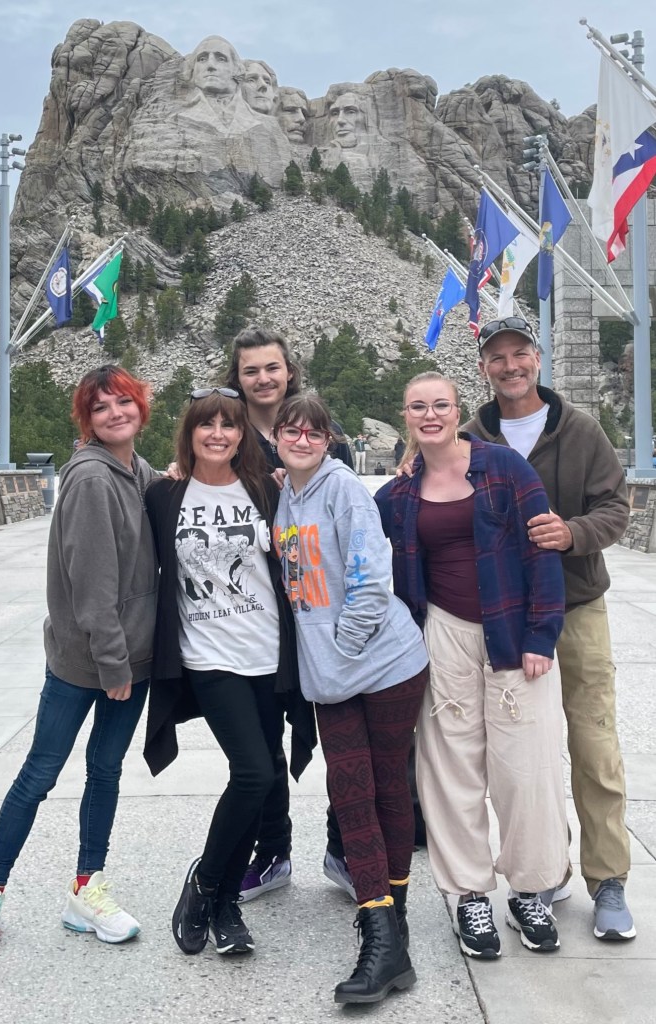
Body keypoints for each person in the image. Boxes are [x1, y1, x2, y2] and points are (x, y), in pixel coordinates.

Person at [0, 365, 158, 958]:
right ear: (87, 421)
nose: (116, 413)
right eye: (101, 408)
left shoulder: (138, 473)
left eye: (124, 402)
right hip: (87, 663)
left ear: (140, 407)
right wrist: (114, 665)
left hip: (133, 660)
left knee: (106, 770)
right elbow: (91, 587)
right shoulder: (93, 479)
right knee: (40, 774)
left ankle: (86, 888)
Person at [377, 370, 569, 959]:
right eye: (418, 407)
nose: (429, 415)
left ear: (459, 410)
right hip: (443, 635)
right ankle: (469, 896)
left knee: (528, 770)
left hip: (515, 634)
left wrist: (543, 632)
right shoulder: (398, 495)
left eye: (441, 405)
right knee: (450, 770)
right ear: (405, 416)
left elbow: (542, 549)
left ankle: (531, 890)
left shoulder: (506, 468)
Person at [464, 316, 634, 942]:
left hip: (579, 608)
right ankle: (547, 866)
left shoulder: (581, 431)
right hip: (506, 614)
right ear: (483, 367)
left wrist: (573, 533)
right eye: (497, 357)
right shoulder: (470, 436)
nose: (510, 366)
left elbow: (617, 508)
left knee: (594, 746)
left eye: (520, 354)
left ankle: (608, 878)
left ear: (538, 359)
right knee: (526, 754)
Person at [143, 386, 314, 957]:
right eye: (206, 425)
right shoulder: (165, 495)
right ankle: (207, 884)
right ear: (189, 433)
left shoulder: (266, 489)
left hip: (268, 655)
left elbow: (317, 498)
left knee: (263, 773)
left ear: (244, 435)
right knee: (254, 775)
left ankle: (224, 908)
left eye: (230, 425)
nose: (218, 434)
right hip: (210, 658)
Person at [273, 394, 428, 1004]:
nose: (303, 440)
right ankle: (384, 923)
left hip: (386, 664)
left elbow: (370, 581)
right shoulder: (288, 493)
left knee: (387, 785)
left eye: (314, 432)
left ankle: (389, 926)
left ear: (329, 438)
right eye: (292, 431)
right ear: (280, 439)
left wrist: (337, 650)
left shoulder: (342, 490)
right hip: (334, 676)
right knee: (352, 791)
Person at [221, 326, 353, 900]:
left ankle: (343, 847)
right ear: (239, 377)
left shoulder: (324, 437)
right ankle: (271, 850)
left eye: (271, 368)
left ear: (289, 371)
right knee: (265, 740)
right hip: (258, 616)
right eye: (251, 370)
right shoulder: (224, 436)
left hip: (321, 610)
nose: (262, 379)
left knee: (340, 733)